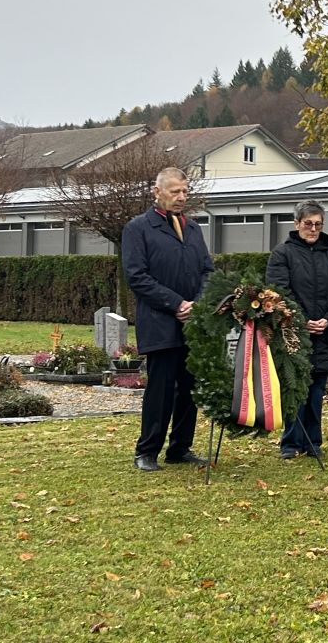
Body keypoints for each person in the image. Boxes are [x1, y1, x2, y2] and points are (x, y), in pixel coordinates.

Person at [122, 167, 214, 472]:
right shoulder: (139, 228)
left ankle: (180, 448)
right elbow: (137, 276)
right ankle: (147, 451)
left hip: (193, 325)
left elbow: (207, 272)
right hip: (160, 323)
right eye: (175, 191)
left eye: (185, 191)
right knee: (160, 390)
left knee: (189, 389)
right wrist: (176, 303)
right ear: (156, 192)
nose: (181, 197)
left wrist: (197, 304)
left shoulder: (193, 228)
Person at [266, 200, 328, 459]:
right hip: (295, 334)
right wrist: (302, 321)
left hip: (325, 333)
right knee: (294, 388)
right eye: (308, 224)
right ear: (297, 224)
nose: (313, 229)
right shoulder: (282, 254)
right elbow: (280, 292)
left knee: (316, 390)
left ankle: (313, 441)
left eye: (318, 224)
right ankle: (290, 442)